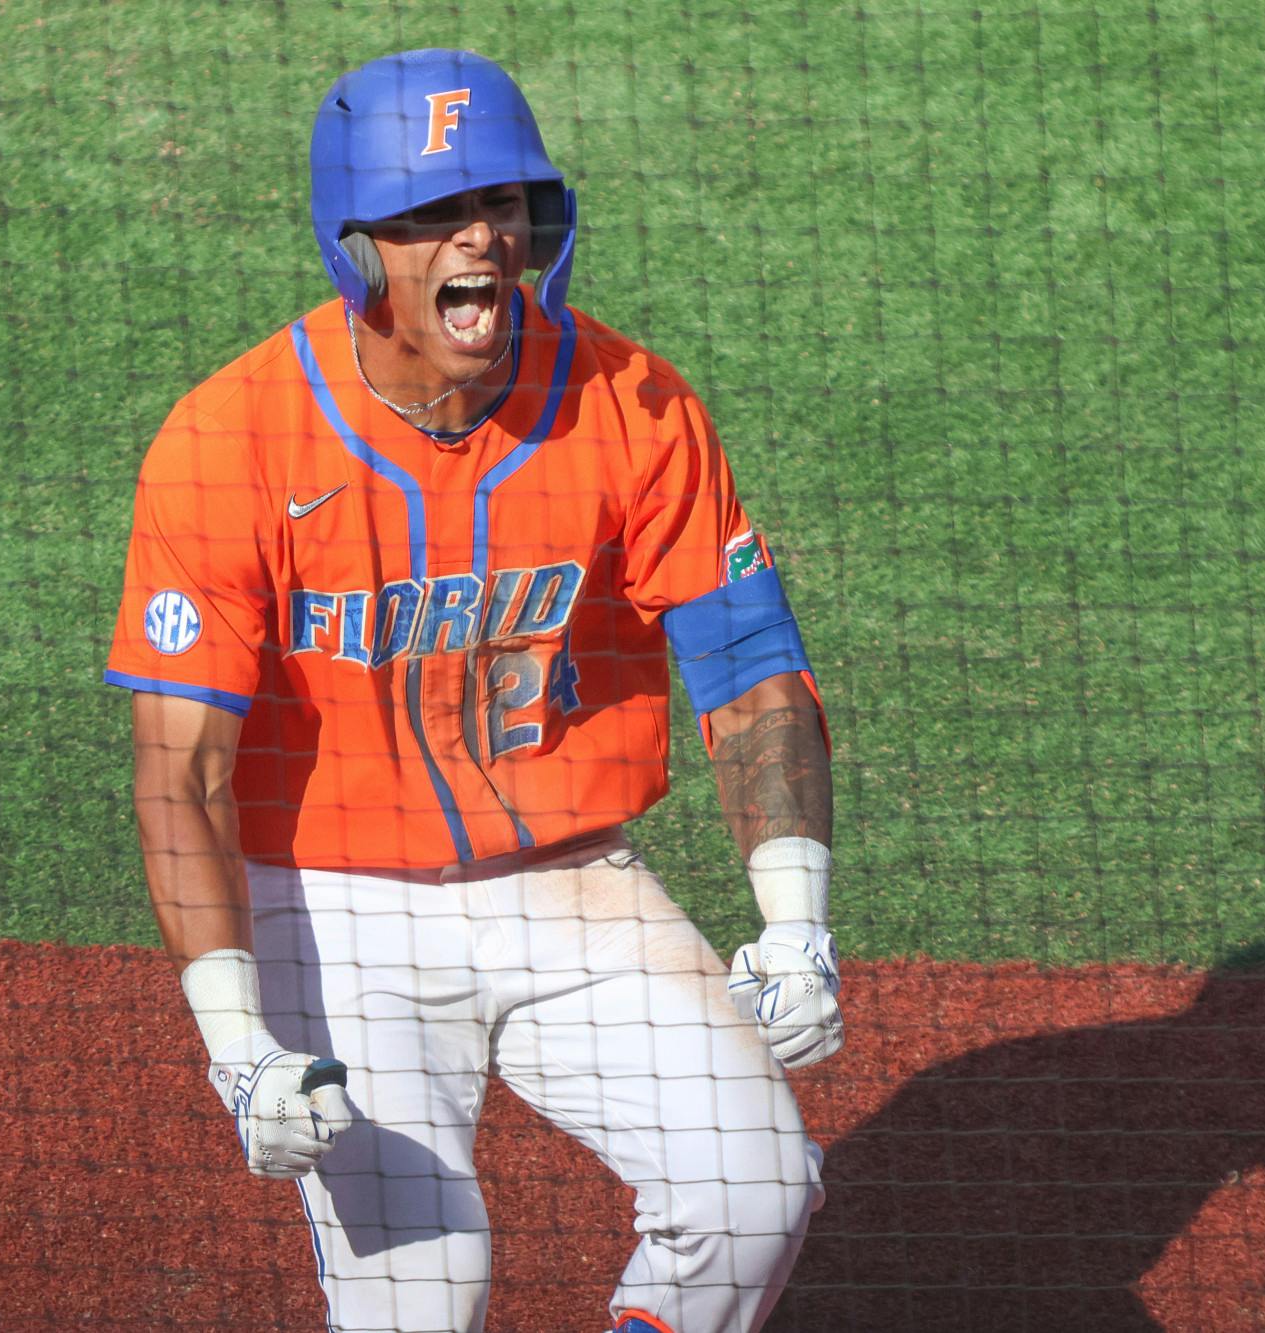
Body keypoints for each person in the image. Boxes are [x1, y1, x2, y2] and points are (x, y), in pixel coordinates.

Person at [105, 48, 841, 1333]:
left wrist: (793, 917)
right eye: (432, 216)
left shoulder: (632, 404)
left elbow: (749, 669)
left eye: (503, 204)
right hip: (334, 916)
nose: (482, 239)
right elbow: (182, 768)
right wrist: (237, 1042)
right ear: (354, 249)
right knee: (422, 1297)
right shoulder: (227, 441)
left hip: (569, 886)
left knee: (756, 1188)